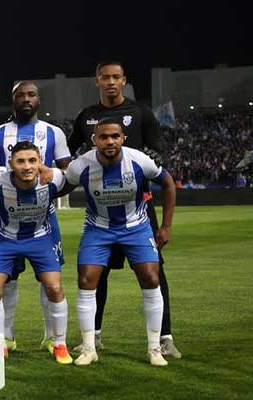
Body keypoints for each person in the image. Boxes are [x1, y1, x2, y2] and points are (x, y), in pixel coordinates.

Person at [68, 61, 181, 358]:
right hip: (101, 208)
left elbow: (157, 153)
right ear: (96, 81)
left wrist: (165, 225)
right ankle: (93, 338)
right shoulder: (86, 116)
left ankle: (165, 337)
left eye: (115, 77)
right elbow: (68, 152)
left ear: (124, 81)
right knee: (97, 272)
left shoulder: (140, 112)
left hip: (138, 207)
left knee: (154, 272)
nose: (110, 82)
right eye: (104, 77)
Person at [0, 81, 71, 353]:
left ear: (38, 99)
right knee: (6, 281)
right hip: (8, 216)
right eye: (20, 94)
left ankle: (52, 338)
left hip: (44, 220)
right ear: (13, 99)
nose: (26, 99)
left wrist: (50, 181)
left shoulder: (54, 132)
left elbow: (68, 174)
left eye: (31, 94)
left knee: (49, 282)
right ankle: (6, 337)